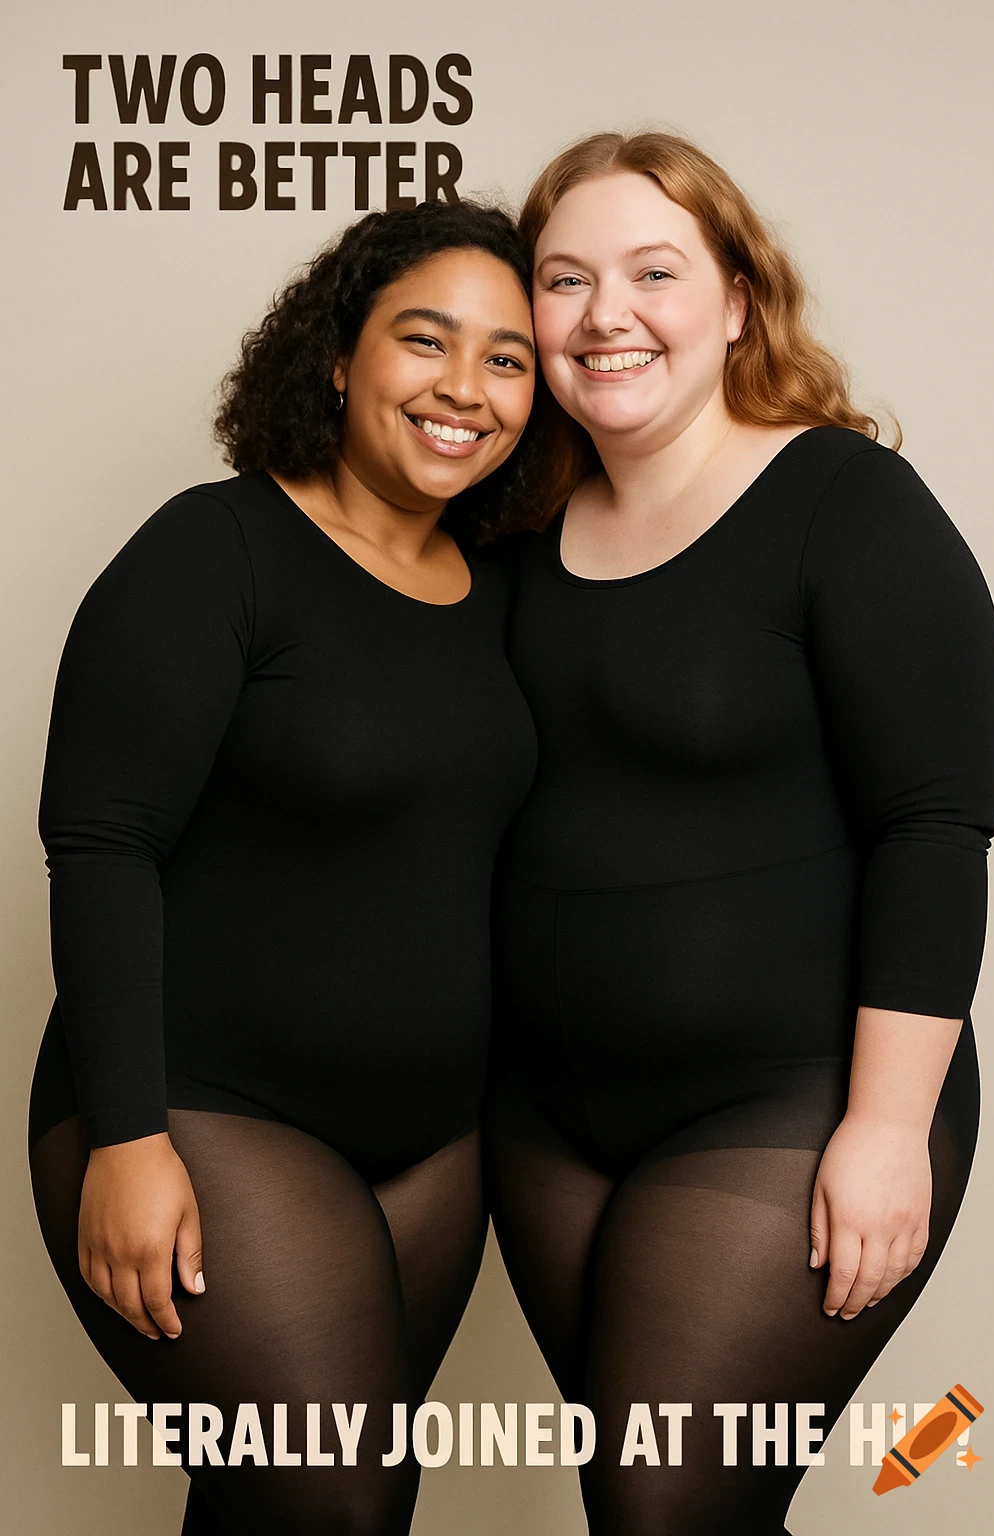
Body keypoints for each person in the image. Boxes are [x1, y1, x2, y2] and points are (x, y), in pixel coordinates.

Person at [484, 131, 994, 1535]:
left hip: (788, 1103)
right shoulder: (510, 529)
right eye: (564, 278)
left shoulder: (846, 504)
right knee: (637, 1508)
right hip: (544, 1118)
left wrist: (889, 1128)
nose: (607, 315)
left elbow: (935, 825)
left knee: (671, 1509)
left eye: (654, 272)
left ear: (736, 298)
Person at [27, 199, 544, 1536]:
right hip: (205, 1116)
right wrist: (129, 1138)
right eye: (425, 340)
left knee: (272, 1513)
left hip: (433, 1156)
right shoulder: (218, 551)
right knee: (337, 1506)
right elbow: (100, 840)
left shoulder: (501, 591)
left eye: (507, 359)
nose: (464, 390)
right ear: (338, 354)